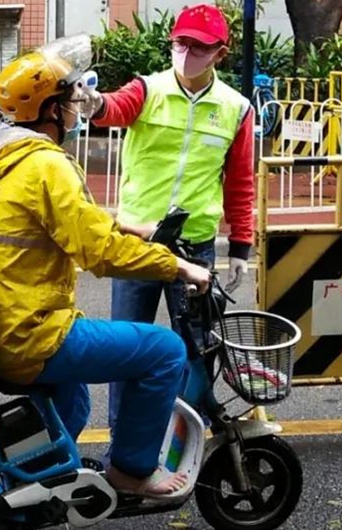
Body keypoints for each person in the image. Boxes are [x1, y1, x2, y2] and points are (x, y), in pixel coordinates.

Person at [0, 34, 212, 497]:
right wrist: (178, 267)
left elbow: (68, 222)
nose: (77, 108)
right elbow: (99, 253)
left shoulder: (2, 163)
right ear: (48, 111)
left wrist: (129, 226)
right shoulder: (49, 165)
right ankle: (131, 470)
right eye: (68, 100)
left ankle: (30, 485)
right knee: (165, 351)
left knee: (72, 399)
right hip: (33, 334)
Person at [81, 4, 255, 444]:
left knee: (197, 350)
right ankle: (122, 442)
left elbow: (240, 181)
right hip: (136, 240)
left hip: (193, 247)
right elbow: (114, 107)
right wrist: (95, 104)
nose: (187, 52)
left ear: (220, 53)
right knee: (125, 348)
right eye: (181, 43)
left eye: (199, 47)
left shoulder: (235, 108)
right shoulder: (148, 89)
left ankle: (184, 439)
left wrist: (240, 246)